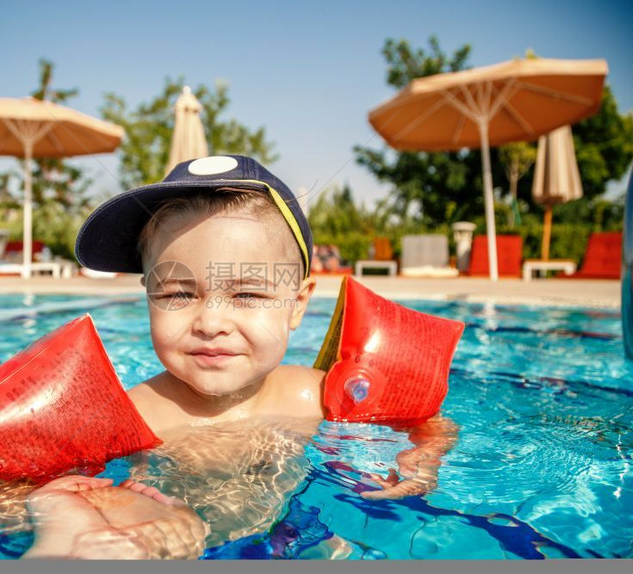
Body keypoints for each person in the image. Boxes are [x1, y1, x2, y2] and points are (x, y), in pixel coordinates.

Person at [24, 155, 457, 558]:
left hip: (296, 531)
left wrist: (423, 455)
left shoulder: (315, 394)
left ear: (298, 304)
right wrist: (93, 504)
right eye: (177, 293)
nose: (210, 323)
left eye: (247, 294)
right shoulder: (132, 417)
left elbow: (426, 421)